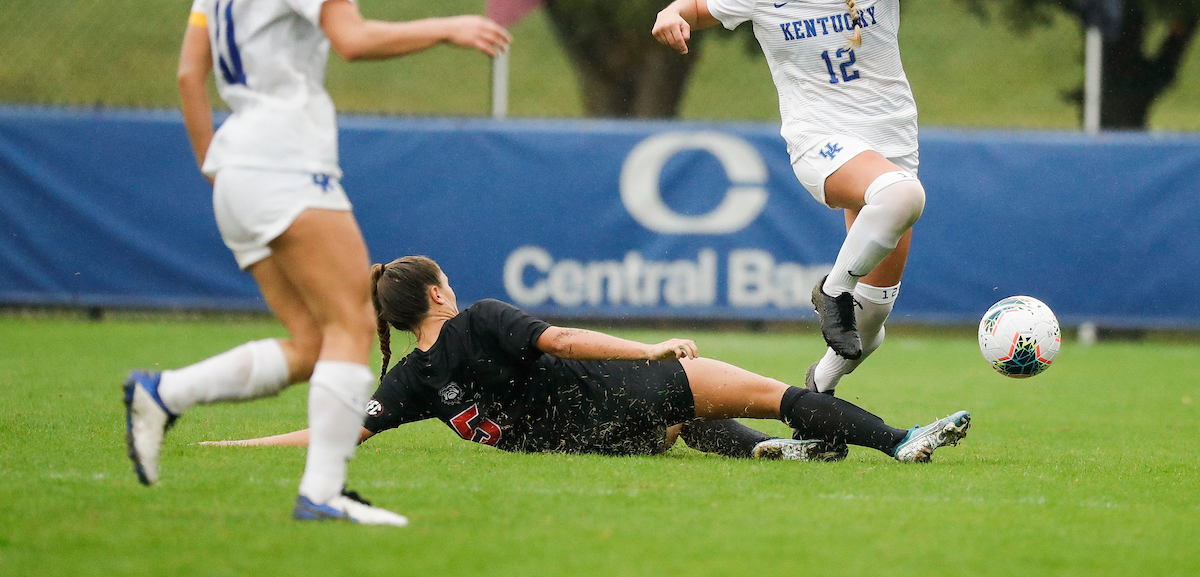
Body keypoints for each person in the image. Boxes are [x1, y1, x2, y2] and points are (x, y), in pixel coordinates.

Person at [122, 0, 511, 527]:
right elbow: (353, 39)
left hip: (240, 162)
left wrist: (215, 160)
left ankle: (166, 393)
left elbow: (187, 74)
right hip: (285, 159)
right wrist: (448, 26)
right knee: (349, 328)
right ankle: (321, 491)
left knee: (312, 343)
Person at [651, 0, 984, 396]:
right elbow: (693, 7)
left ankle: (815, 394)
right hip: (820, 140)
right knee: (904, 196)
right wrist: (670, 14)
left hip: (891, 143)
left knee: (869, 327)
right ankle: (833, 290)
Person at [207, 256, 971, 466]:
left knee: (685, 423)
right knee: (764, 390)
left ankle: (782, 457)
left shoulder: (407, 380)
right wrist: (647, 348)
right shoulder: (481, 319)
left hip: (588, 441)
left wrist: (232, 444)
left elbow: (336, 436)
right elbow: (564, 343)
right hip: (615, 396)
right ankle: (899, 439)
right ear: (438, 292)